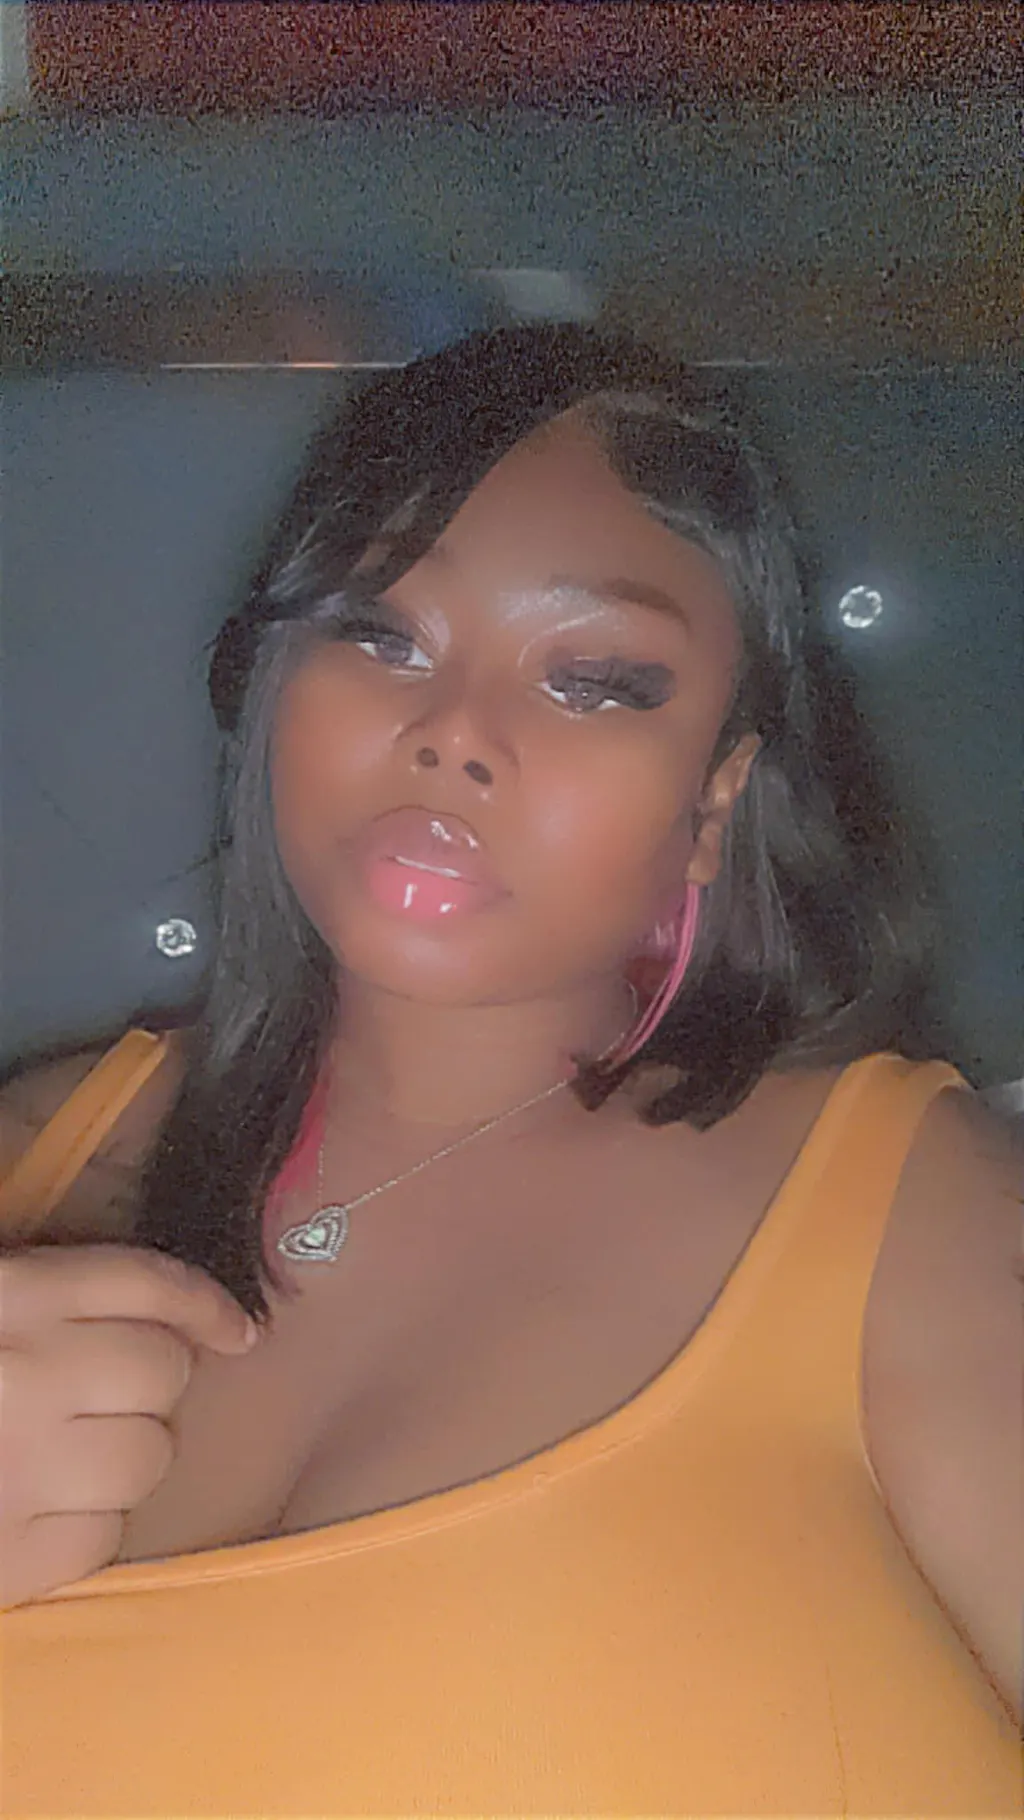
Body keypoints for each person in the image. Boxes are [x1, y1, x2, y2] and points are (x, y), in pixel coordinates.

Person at [0, 324, 1019, 1815]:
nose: (455, 735)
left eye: (595, 680)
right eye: (382, 635)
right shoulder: (37, 1159)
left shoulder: (915, 1209)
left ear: (714, 800)